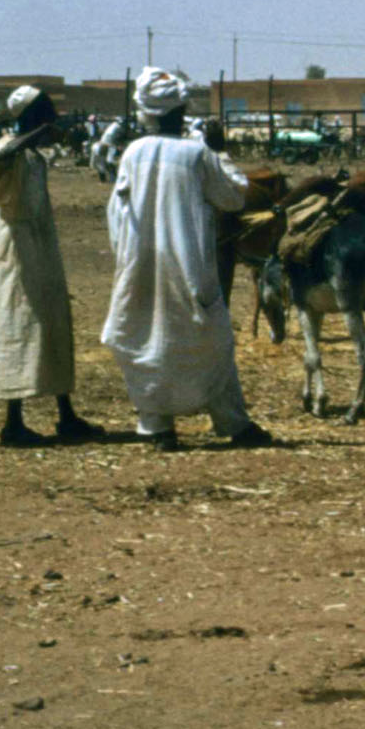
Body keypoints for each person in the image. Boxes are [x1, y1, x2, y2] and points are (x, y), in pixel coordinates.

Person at [100, 69, 274, 452]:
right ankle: (232, 422)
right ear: (180, 110)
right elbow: (233, 197)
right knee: (210, 338)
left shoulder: (133, 152)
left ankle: (156, 426)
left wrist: (126, 255)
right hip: (187, 263)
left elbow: (117, 210)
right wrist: (220, 150)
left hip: (141, 264)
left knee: (145, 336)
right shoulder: (197, 154)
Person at [0, 87, 97, 447]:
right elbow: (6, 155)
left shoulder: (35, 159)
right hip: (13, 256)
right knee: (18, 325)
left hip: (39, 251)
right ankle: (13, 421)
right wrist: (38, 134)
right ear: (29, 116)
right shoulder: (2, 150)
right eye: (44, 112)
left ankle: (66, 415)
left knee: (52, 324)